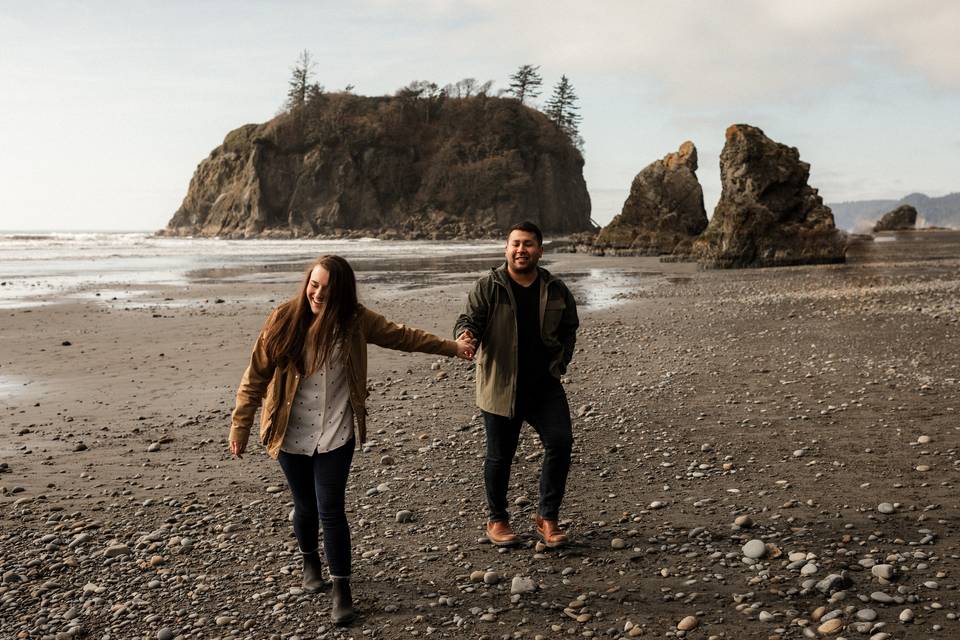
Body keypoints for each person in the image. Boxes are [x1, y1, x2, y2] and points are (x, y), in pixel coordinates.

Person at [229, 255, 474, 626]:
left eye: (327, 288)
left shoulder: (355, 320)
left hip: (335, 431)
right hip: (289, 431)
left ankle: (342, 590)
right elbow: (255, 375)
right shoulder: (283, 319)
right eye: (314, 284)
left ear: (342, 292)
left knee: (331, 509)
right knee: (305, 506)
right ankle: (310, 560)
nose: (318, 293)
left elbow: (403, 336)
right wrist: (240, 423)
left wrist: (452, 348)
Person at [454, 221, 579, 548]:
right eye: (515, 244)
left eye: (528, 244)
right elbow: (469, 321)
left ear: (539, 250)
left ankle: (547, 518)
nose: (521, 250)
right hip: (501, 386)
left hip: (545, 387)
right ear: (506, 248)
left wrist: (561, 360)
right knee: (500, 456)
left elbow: (569, 327)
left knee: (561, 443)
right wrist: (465, 338)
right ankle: (497, 520)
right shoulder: (489, 286)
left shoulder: (555, 289)